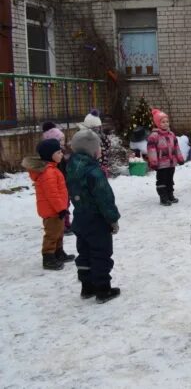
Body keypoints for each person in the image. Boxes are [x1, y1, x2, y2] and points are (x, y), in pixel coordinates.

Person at [66, 129, 121, 303]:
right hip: (96, 220)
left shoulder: (71, 167)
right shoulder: (94, 172)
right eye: (98, 148)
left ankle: (87, 286)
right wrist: (112, 219)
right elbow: (105, 198)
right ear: (92, 150)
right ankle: (103, 289)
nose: (100, 151)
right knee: (100, 253)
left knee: (84, 252)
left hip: (80, 218)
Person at [21, 139, 74, 270]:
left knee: (59, 231)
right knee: (52, 234)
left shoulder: (53, 169)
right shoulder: (48, 172)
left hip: (57, 209)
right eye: (58, 152)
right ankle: (48, 257)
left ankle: (58, 252)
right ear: (49, 155)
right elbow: (52, 194)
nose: (61, 154)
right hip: (52, 211)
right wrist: (61, 209)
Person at [147, 108, 185, 206]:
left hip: (171, 163)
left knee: (170, 180)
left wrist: (180, 158)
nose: (166, 123)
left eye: (167, 121)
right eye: (163, 122)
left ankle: (170, 195)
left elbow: (176, 148)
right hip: (161, 164)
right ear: (157, 123)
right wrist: (154, 162)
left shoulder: (171, 134)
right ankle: (163, 197)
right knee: (162, 180)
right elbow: (151, 150)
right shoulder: (154, 136)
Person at [42, 122, 72, 234]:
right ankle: (63, 225)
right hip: (60, 184)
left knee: (66, 203)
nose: (63, 142)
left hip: (65, 183)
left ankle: (67, 223)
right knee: (62, 204)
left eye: (63, 139)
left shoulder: (61, 152)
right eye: (60, 140)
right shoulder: (55, 156)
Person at [81, 110, 111, 176]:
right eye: (95, 128)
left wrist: (104, 138)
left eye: (99, 127)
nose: (98, 129)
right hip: (94, 165)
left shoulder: (101, 135)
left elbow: (108, 145)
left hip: (103, 163)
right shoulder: (87, 138)